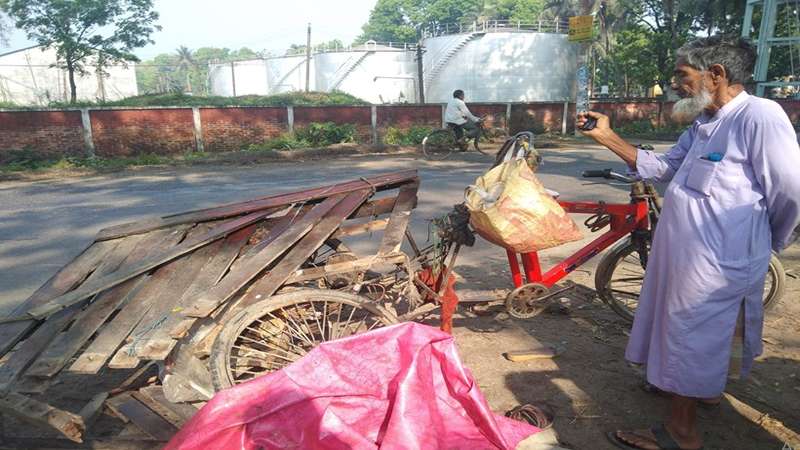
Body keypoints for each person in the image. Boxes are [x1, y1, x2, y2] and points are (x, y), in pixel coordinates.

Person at [577, 36, 800, 450]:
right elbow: (662, 167)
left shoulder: (759, 116)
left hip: (719, 259)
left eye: (682, 74)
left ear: (715, 75)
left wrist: (771, 238)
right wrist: (606, 137)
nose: (674, 83)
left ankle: (682, 433)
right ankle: (704, 391)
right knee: (699, 332)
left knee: (690, 335)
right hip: (687, 256)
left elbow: (789, 190)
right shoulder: (703, 123)